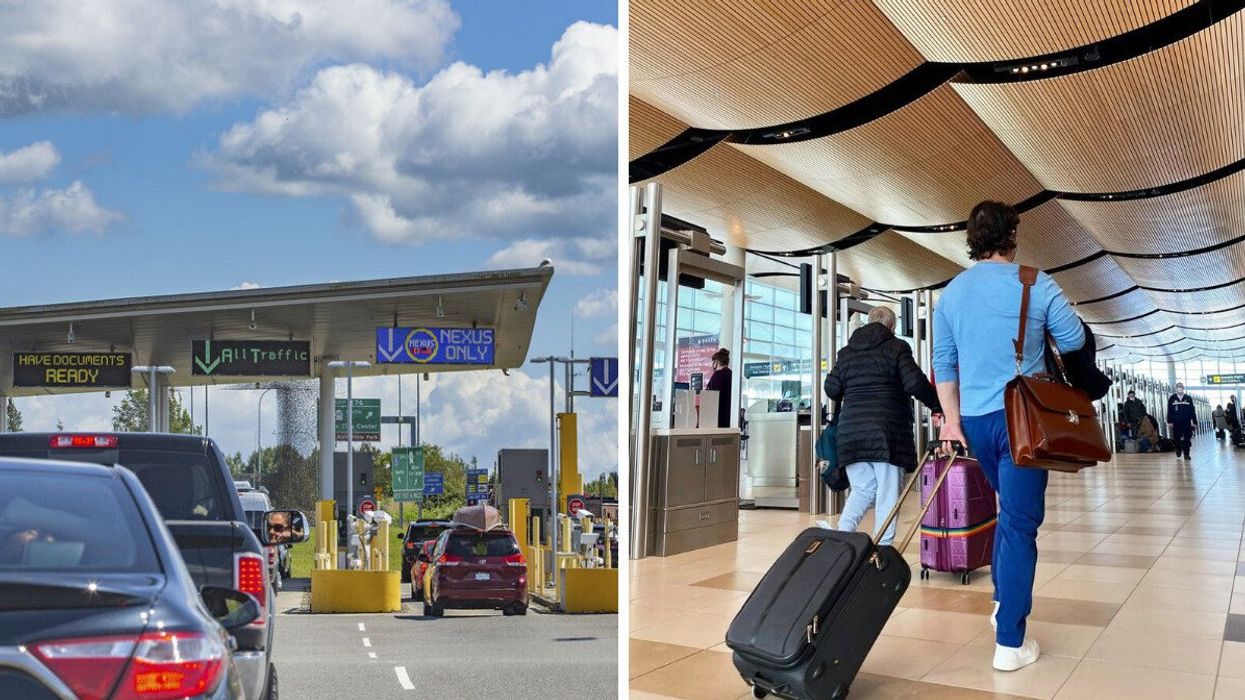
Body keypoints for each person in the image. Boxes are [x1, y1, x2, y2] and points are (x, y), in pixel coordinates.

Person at [932, 200, 1085, 673]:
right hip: (1022, 419)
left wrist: (952, 422)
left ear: (971, 241)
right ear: (1012, 237)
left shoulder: (951, 293)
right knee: (1020, 524)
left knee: (1008, 514)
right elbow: (1075, 339)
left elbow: (944, 364)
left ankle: (1003, 598)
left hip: (976, 422)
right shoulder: (1034, 282)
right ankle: (1010, 643)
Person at [823, 305, 941, 547]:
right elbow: (915, 383)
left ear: (868, 322)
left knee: (863, 488)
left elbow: (831, 388)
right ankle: (883, 547)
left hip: (851, 432)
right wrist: (939, 406)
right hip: (886, 431)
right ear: (892, 326)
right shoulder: (897, 347)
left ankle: (843, 535)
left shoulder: (846, 352)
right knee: (887, 493)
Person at [704, 348, 733, 429]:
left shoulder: (718, 375)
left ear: (716, 362)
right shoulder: (731, 374)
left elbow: (709, 394)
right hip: (729, 417)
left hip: (717, 417)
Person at [1166, 383, 1196, 459]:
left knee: (1187, 438)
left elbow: (1192, 410)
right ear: (1176, 388)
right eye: (1178, 387)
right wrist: (1169, 421)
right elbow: (1169, 410)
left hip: (1186, 421)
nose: (1180, 388)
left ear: (1183, 388)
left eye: (1181, 387)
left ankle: (1186, 454)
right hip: (1176, 422)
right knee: (1177, 437)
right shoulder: (1172, 398)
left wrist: (1194, 421)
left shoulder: (1188, 398)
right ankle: (1178, 448)